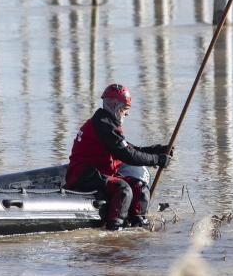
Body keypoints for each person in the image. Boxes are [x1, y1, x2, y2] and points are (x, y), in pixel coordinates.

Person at [65, 83, 171, 230]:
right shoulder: (104, 125)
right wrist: (157, 160)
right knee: (123, 190)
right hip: (84, 175)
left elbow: (129, 148)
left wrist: (157, 151)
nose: (126, 114)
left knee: (138, 187)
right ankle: (114, 230)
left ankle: (137, 225)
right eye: (124, 109)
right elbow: (127, 155)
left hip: (100, 173)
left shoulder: (107, 124)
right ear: (115, 106)